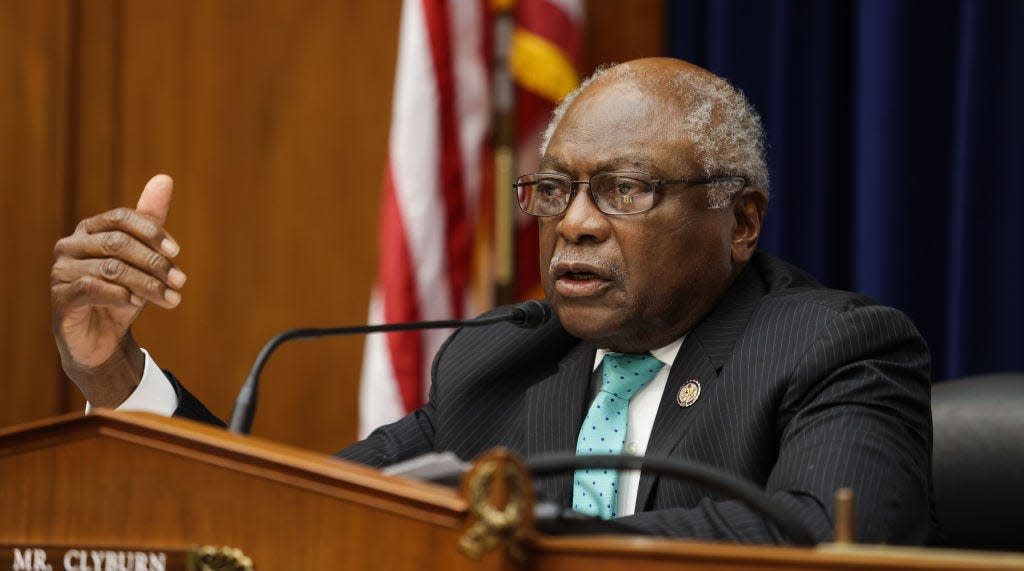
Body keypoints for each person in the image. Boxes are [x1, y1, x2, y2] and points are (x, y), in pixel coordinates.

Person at [50, 58, 933, 544]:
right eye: (555, 191)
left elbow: (825, 543)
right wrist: (117, 371)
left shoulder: (836, 349)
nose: (575, 224)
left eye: (622, 190)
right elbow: (294, 516)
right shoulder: (498, 358)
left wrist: (512, 537)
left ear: (739, 220)